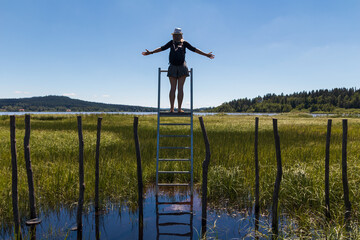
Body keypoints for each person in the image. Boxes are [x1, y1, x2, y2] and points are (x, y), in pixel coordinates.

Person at [142, 28, 214, 113]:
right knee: (173, 88)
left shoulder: (184, 43)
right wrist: (151, 52)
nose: (176, 37)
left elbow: (194, 49)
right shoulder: (172, 43)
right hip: (173, 66)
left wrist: (206, 54)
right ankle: (172, 108)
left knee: (179, 88)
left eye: (177, 35)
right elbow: (162, 48)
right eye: (175, 35)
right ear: (174, 36)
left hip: (181, 66)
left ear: (180, 36)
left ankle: (178, 108)